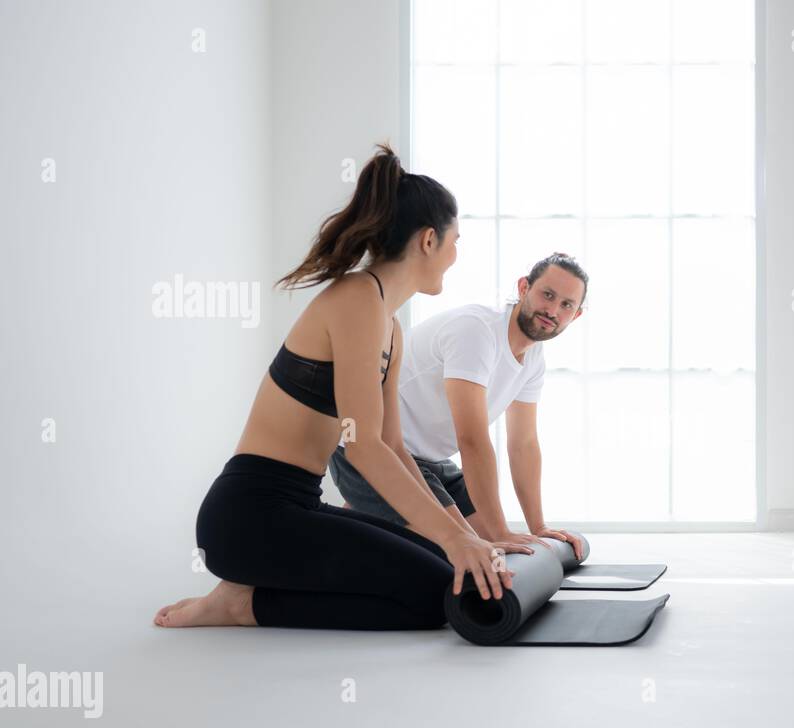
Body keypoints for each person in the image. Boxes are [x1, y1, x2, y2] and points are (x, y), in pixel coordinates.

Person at [154, 145, 521, 630]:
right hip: (248, 517)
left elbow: (392, 445)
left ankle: (252, 589)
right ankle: (243, 605)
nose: (456, 254)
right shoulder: (356, 300)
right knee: (435, 595)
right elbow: (362, 446)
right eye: (456, 240)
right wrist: (457, 541)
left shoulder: (390, 325)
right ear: (429, 240)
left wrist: (460, 535)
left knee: (447, 565)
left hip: (300, 507)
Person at [328, 253, 587, 561]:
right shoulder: (476, 330)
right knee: (464, 553)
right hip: (376, 454)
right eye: (547, 295)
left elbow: (524, 444)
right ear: (523, 288)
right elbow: (472, 439)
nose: (553, 310)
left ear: (576, 316)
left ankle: (363, 514)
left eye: (566, 305)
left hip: (430, 463)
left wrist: (538, 525)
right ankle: (354, 518)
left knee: (505, 549)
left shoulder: (533, 358)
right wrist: (500, 532)